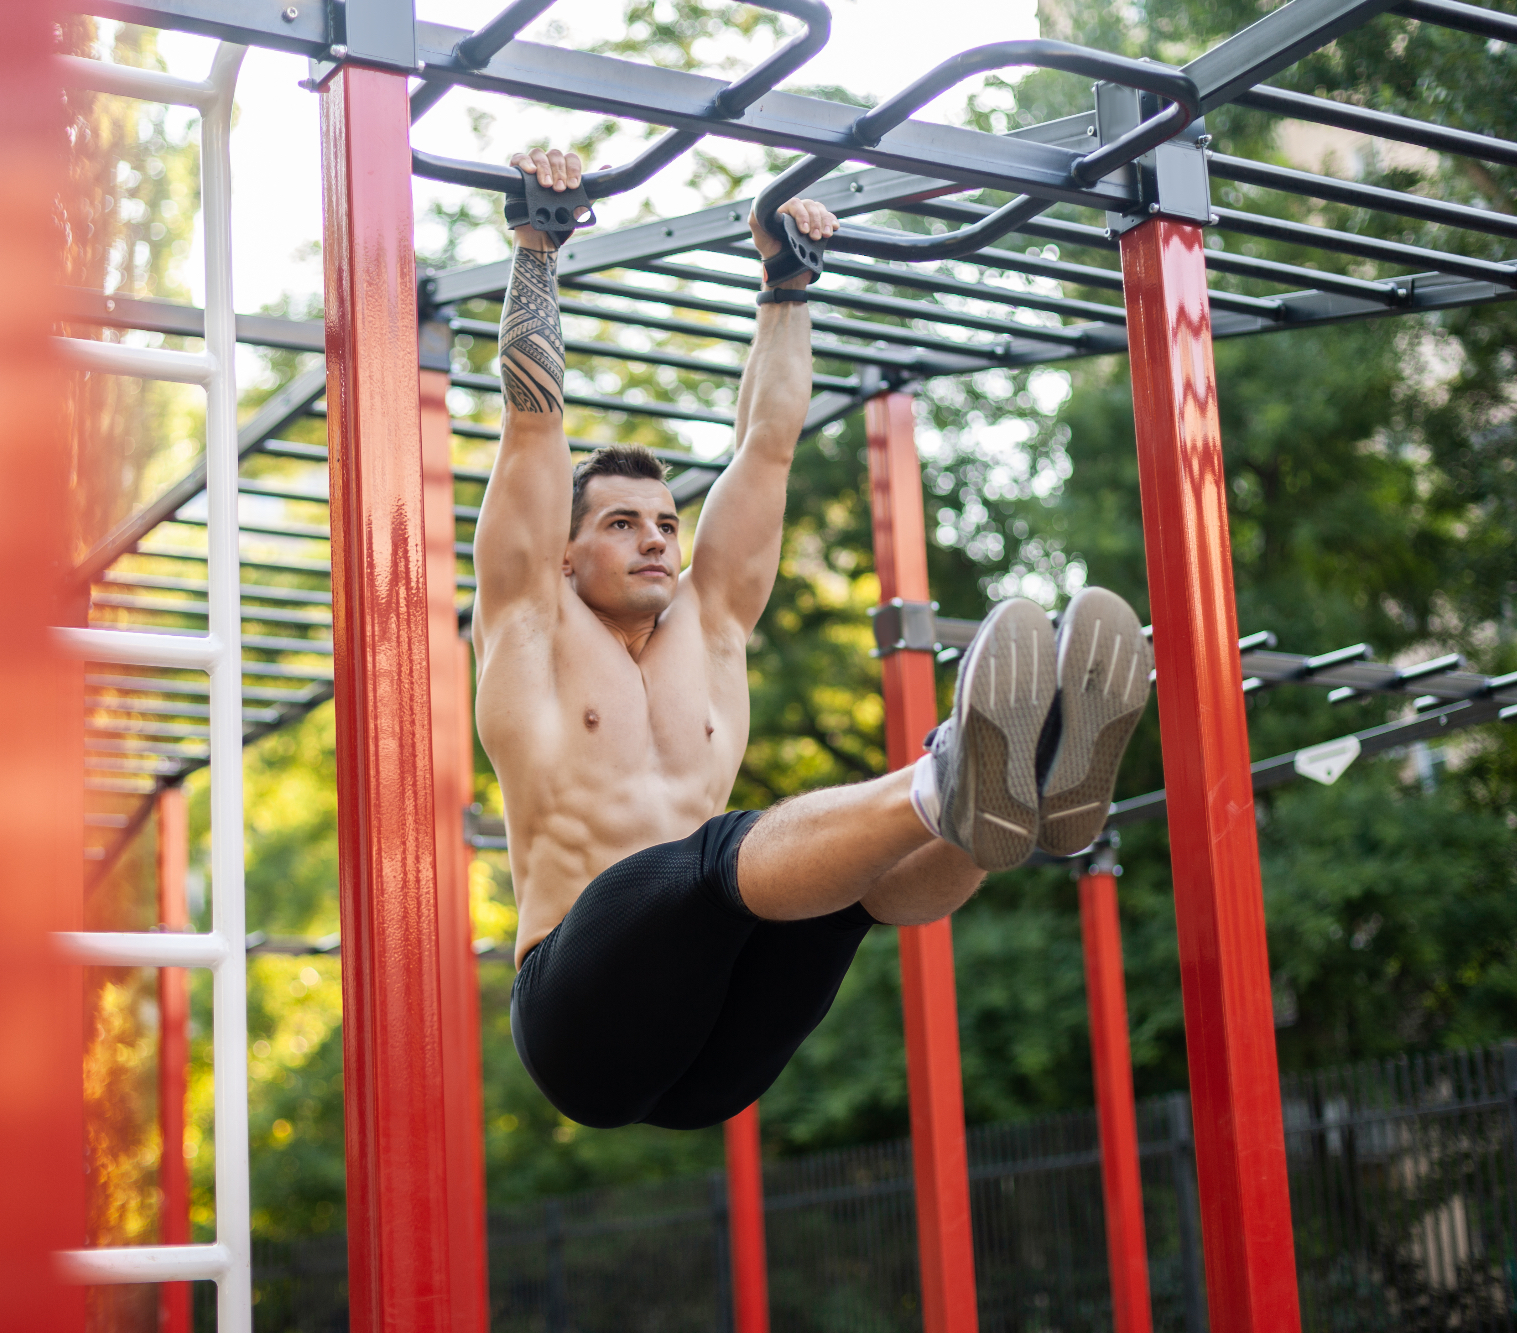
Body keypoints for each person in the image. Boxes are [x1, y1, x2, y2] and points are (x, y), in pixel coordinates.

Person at [471, 146, 1152, 1131]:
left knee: (841, 892)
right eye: (620, 523)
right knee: (715, 863)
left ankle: (1029, 786)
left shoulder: (709, 630)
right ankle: (945, 771)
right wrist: (537, 243)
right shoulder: (528, 625)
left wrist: (785, 282)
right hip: (583, 1025)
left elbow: (767, 443)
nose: (656, 537)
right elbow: (532, 427)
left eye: (666, 522)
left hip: (717, 1055)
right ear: (565, 555)